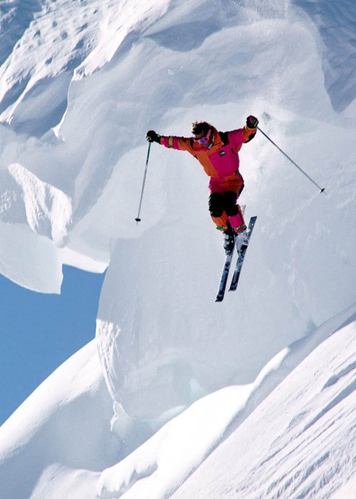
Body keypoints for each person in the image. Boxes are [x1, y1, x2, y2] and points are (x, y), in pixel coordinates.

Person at [146, 116, 258, 254]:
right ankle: (228, 232)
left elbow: (245, 134)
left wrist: (251, 125)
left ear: (210, 134)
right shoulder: (195, 146)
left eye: (204, 140)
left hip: (233, 181)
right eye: (198, 140)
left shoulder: (225, 139)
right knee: (215, 210)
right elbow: (176, 142)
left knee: (229, 204)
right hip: (216, 184)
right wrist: (157, 138)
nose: (202, 143)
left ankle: (241, 233)